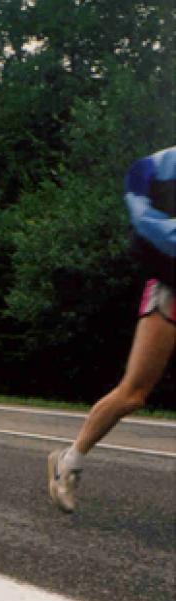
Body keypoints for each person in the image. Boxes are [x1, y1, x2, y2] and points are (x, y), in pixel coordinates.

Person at [48, 146, 176, 513]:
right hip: (169, 289)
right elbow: (138, 183)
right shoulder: (162, 164)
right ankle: (67, 463)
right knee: (134, 394)